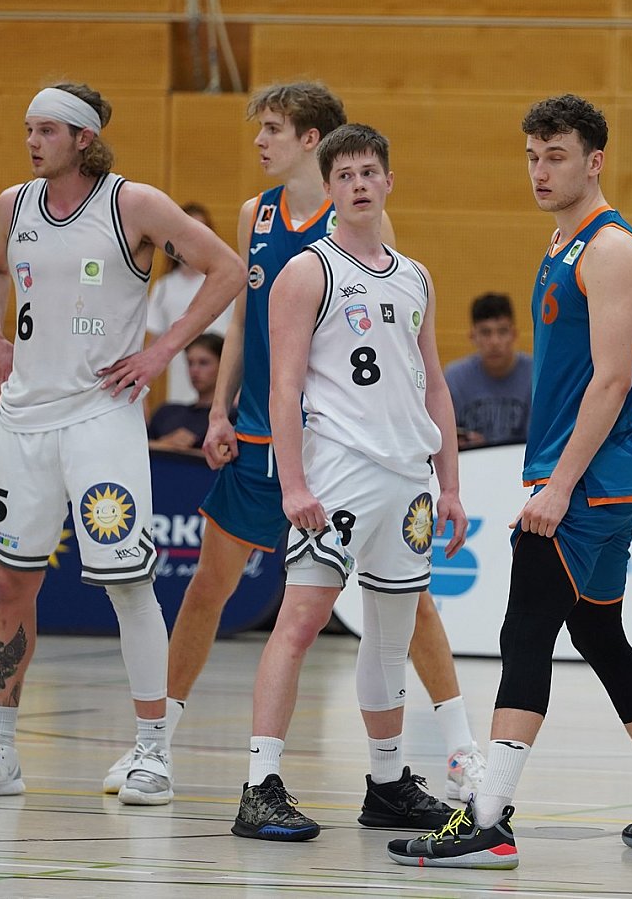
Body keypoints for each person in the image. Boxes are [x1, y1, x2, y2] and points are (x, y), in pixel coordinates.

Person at [110, 82, 487, 804]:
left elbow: (396, 350)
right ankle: (154, 747)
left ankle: (457, 750)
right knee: (208, 589)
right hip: (260, 438)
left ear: (312, 139)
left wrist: (435, 470)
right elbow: (243, 320)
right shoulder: (256, 214)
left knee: (404, 607)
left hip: (333, 452)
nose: (260, 141)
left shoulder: (366, 230)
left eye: (274, 128)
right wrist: (217, 409)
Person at [389, 94, 632, 870]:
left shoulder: (612, 248)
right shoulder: (562, 241)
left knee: (524, 633)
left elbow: (614, 379)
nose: (540, 170)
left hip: (590, 481)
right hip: (601, 480)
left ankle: (487, 819)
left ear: (595, 161)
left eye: (556, 156)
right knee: (598, 634)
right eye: (532, 156)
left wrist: (558, 486)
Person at [0, 82, 244, 807]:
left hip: (102, 416)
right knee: (10, 583)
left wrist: (162, 350)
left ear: (84, 138)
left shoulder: (132, 204)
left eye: (46, 129)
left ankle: (152, 749)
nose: (31, 141)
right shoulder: (12, 206)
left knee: (126, 582)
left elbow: (228, 269)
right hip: (24, 418)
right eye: (28, 128)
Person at [232, 124, 464, 841]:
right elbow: (284, 385)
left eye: (370, 172)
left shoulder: (416, 275)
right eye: (346, 175)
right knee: (300, 621)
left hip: (408, 478)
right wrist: (293, 483)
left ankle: (388, 784)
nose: (360, 184)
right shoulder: (309, 271)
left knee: (392, 633)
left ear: (389, 181)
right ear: (330, 187)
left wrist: (451, 486)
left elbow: (434, 386)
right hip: (337, 472)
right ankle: (259, 786)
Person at [147, 203, 233, 405]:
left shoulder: (227, 282)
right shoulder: (164, 287)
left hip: (222, 400)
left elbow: (237, 338)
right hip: (179, 397)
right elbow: (152, 345)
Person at [444, 292, 533, 447]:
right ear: (473, 336)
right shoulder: (454, 378)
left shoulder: (536, 375)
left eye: (502, 331)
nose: (494, 342)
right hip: (472, 461)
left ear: (514, 335)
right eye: (485, 332)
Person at [148, 333, 222, 450]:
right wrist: (164, 444)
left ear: (223, 366)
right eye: (190, 363)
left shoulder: (233, 418)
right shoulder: (166, 413)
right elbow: (137, 448)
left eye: (203, 363)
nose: (195, 370)